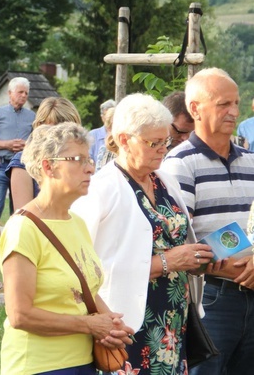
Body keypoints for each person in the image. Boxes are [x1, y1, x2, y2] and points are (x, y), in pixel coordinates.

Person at [71, 94, 212, 373]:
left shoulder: (163, 179)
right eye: (153, 143)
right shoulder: (101, 189)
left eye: (166, 141)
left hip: (172, 318)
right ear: (124, 140)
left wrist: (195, 259)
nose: (163, 149)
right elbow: (82, 266)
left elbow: (178, 238)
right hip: (126, 323)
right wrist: (168, 262)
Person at [0, 122, 134, 375]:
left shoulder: (77, 223)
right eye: (78, 159)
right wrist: (90, 326)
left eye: (89, 159)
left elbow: (85, 289)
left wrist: (113, 323)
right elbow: (20, 315)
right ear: (48, 166)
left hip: (83, 362)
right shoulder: (23, 228)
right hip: (39, 365)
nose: (90, 167)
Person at [162, 68, 254, 375]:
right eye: (223, 104)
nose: (234, 112)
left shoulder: (252, 163)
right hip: (211, 299)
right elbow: (176, 245)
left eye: (236, 103)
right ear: (195, 109)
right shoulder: (178, 166)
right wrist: (240, 271)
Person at [7, 97, 81, 211]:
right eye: (54, 127)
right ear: (40, 126)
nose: (61, 133)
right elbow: (23, 214)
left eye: (67, 128)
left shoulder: (80, 160)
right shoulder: (23, 161)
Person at [0, 76, 35, 218]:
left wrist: (28, 145)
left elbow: (37, 141)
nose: (24, 95)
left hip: (22, 167)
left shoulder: (32, 117)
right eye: (20, 92)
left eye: (26, 93)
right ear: (10, 93)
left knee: (20, 209)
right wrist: (7, 144)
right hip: (0, 166)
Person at [87, 99, 115, 164]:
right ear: (102, 117)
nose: (111, 118)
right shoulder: (92, 135)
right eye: (108, 115)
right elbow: (88, 159)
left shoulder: (121, 136)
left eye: (113, 114)